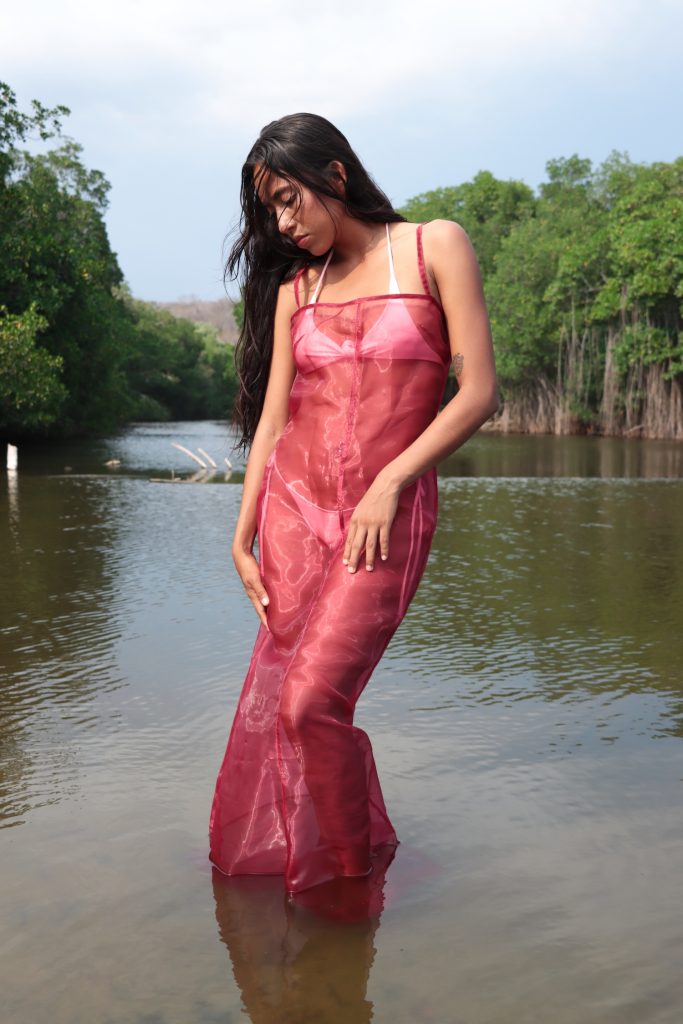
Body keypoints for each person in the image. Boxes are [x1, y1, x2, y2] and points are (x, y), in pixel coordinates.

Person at [208, 112, 499, 896]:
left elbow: (478, 392)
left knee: (310, 705)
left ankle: (344, 886)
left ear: (333, 175)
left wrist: (391, 482)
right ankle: (332, 895)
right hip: (292, 514)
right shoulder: (297, 289)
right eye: (269, 209)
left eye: (288, 199)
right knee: (283, 703)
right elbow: (274, 421)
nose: (282, 222)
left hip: (385, 518)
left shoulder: (434, 245)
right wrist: (241, 532)